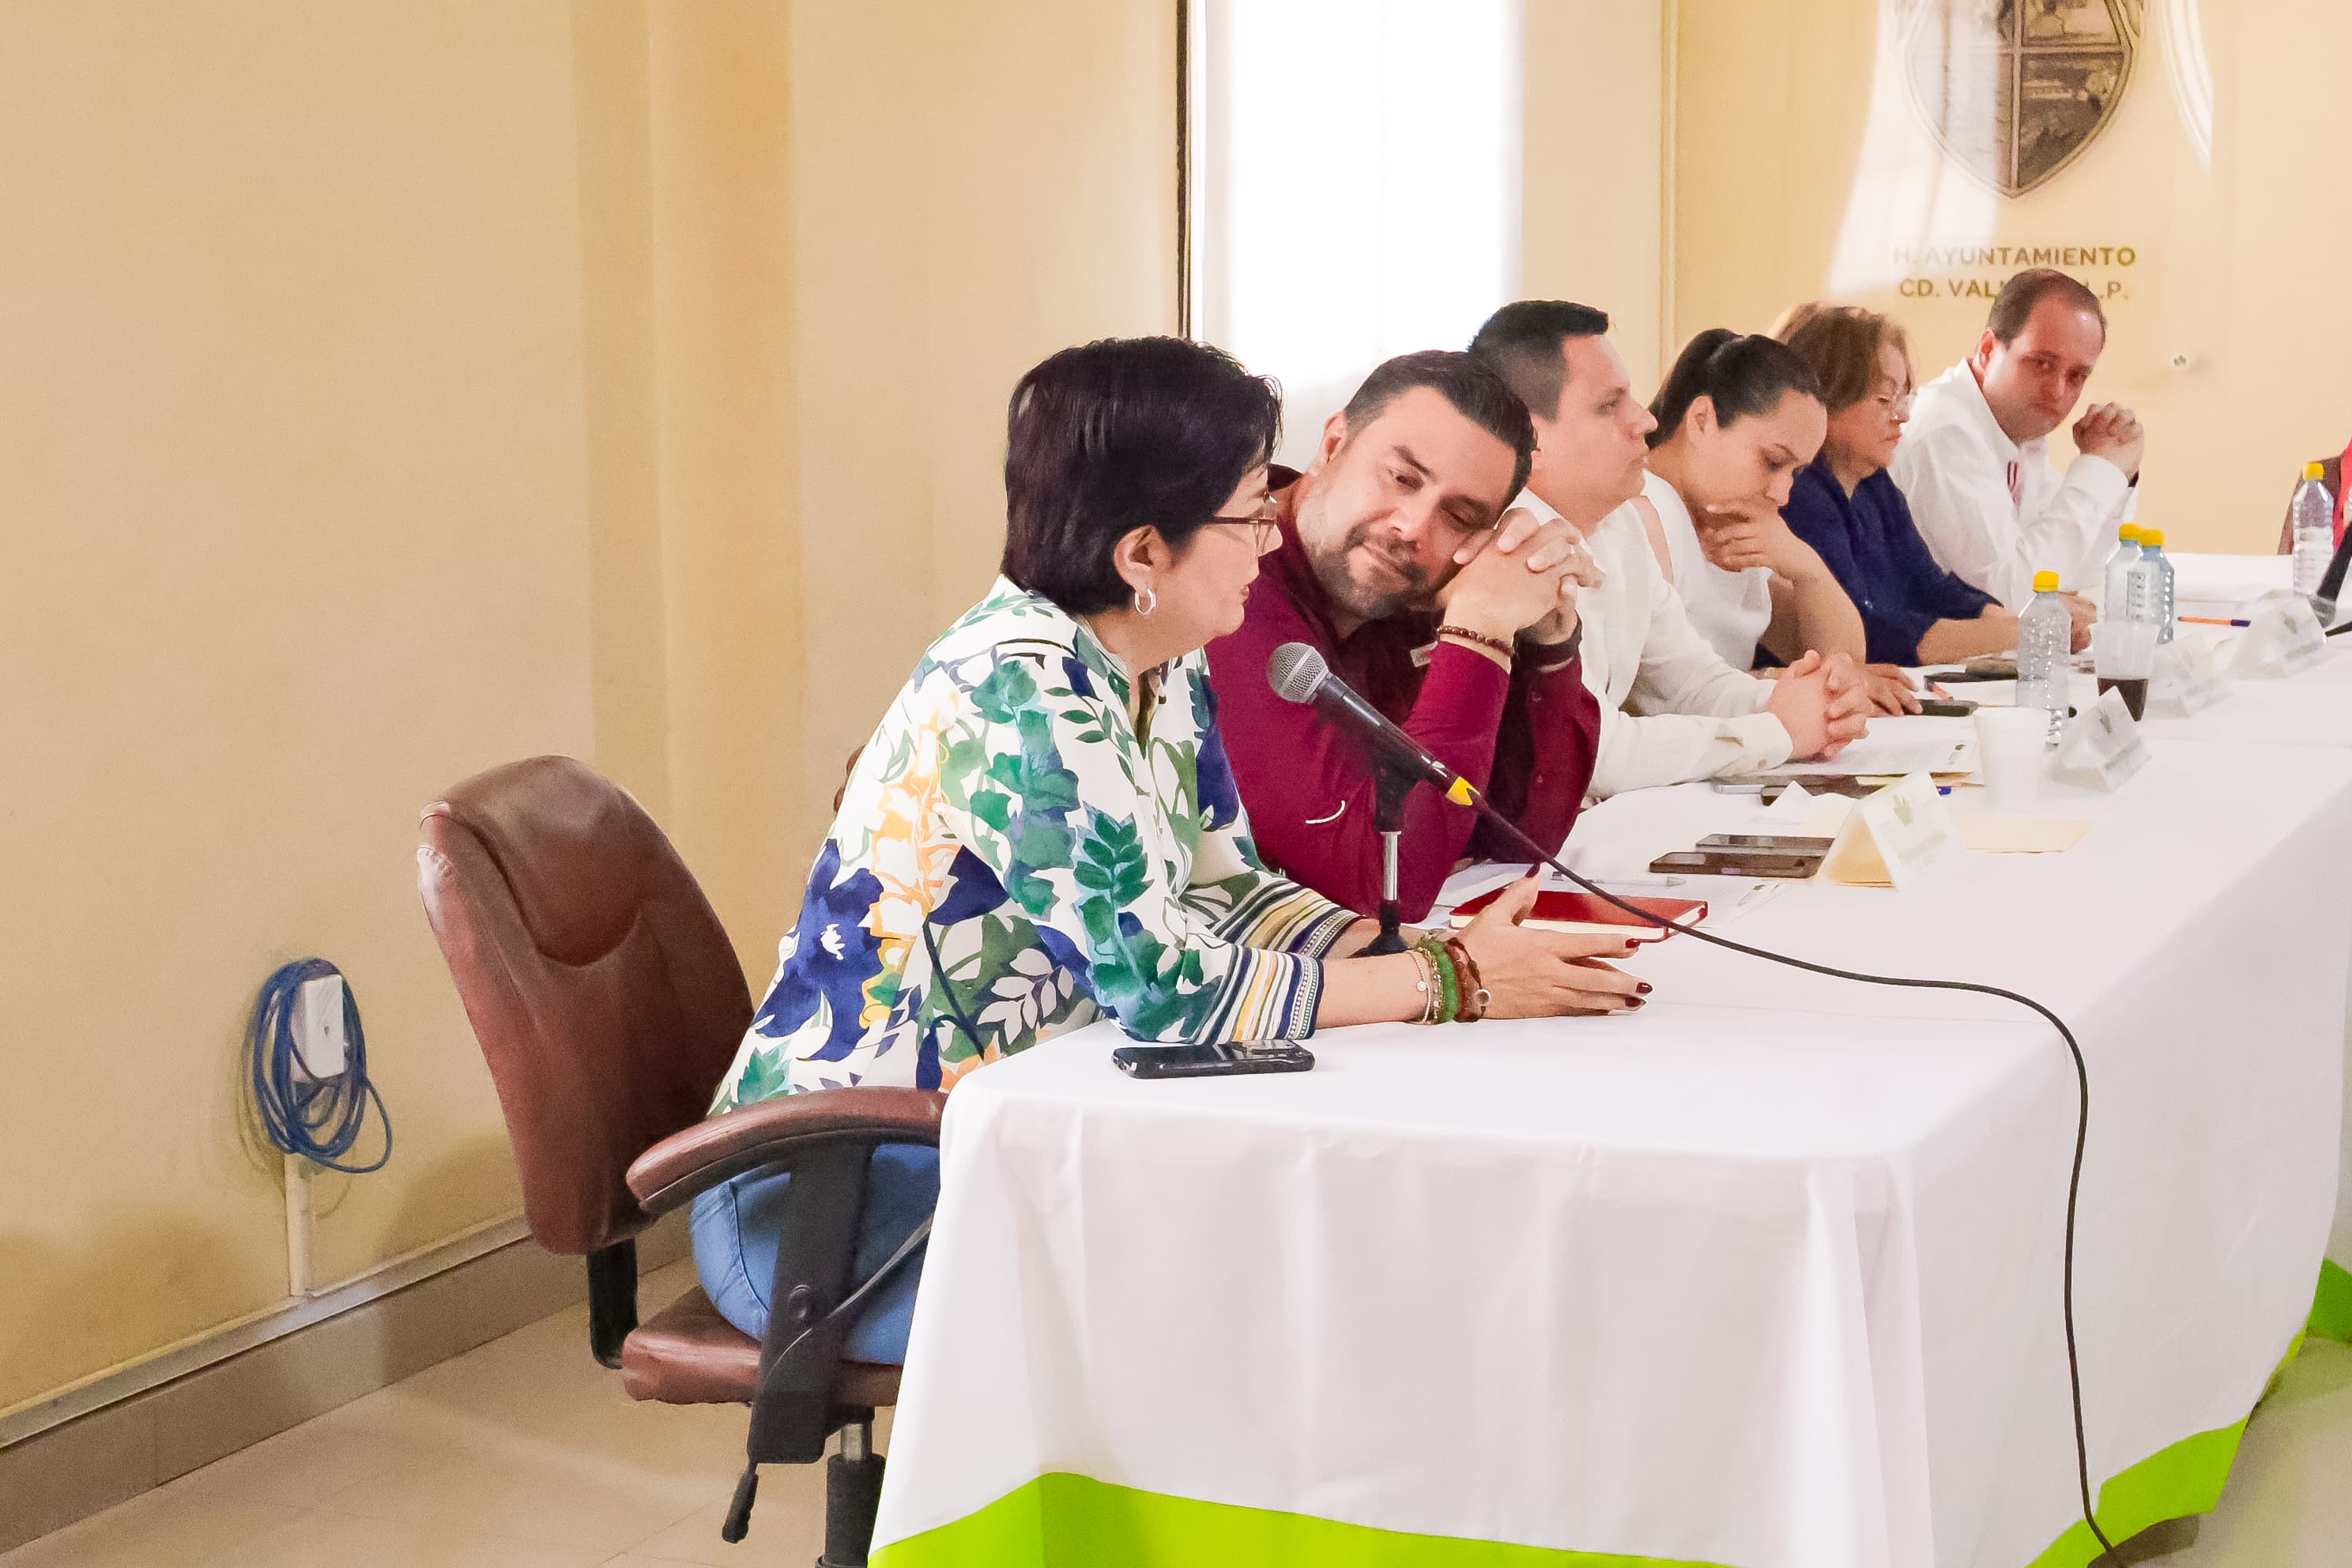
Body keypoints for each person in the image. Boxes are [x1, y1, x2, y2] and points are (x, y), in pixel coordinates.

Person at [694, 337, 1646, 1353]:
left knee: (1342, 1264)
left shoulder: (1163, 663)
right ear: (1145, 554)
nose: (1270, 539)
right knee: (1289, 1313)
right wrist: (1449, 982)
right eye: (1247, 516)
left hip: (1005, 1139)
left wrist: (1413, 951)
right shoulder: (1022, 685)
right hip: (835, 1198)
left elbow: (1229, 888)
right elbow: (1167, 991)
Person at [1206, 351, 1607, 921]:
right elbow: (1381, 883)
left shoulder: (1421, 591)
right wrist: (1479, 630)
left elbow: (1518, 838)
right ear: (1332, 445)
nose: (1414, 527)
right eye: (1401, 479)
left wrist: (1549, 638)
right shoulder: (1230, 581)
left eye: (1460, 518)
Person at [1466, 300, 1869, 799]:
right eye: (1609, 406)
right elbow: (1594, 753)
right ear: (1529, 437)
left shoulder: (1618, 523)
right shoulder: (1511, 545)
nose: (1645, 420)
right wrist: (1775, 731)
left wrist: (1807, 704)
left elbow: (1689, 683)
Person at [1775, 303, 2039, 665]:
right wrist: (2029, 632)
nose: (1903, 416)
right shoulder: (1801, 494)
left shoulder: (1874, 485)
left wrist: (2016, 621)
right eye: (1885, 400)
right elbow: (1870, 635)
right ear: (1823, 399)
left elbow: (1931, 587)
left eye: (1904, 399)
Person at [1890, 267, 2138, 632]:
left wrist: (2117, 473)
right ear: (1988, 350)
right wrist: (2101, 468)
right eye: (2042, 364)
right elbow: (2004, 597)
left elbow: (2078, 569)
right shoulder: (1946, 432)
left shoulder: (2017, 432)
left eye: (2076, 376)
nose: (2057, 391)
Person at [1639, 329, 1865, 672]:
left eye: (1796, 472)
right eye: (1773, 461)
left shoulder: (1726, 522)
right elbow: (1657, 688)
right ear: (1702, 421)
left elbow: (1841, 663)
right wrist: (1769, 686)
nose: (1782, 494)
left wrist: (1807, 568)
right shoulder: (1643, 510)